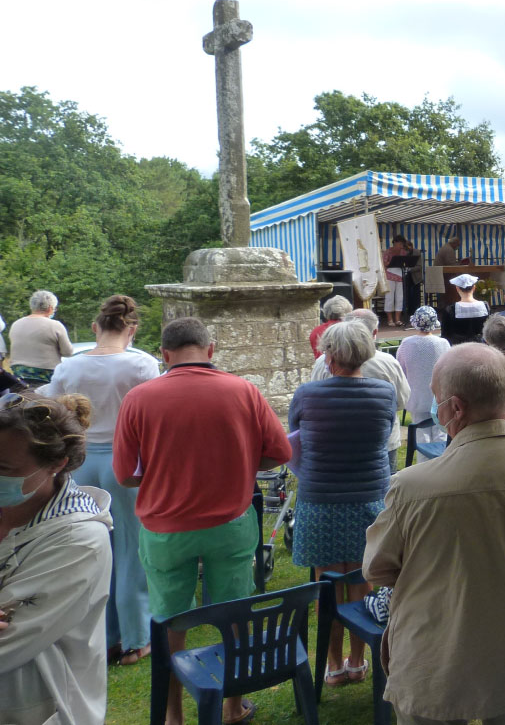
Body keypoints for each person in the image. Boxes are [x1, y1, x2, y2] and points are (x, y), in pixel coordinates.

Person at [363, 343, 505, 725]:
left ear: (456, 408)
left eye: (436, 398)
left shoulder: (411, 486)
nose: (435, 407)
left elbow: (378, 569)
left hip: (434, 660)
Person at [113, 317, 291, 725]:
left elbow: (125, 475)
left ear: (164, 354)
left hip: (164, 526)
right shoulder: (243, 390)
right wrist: (244, 464)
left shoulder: (139, 399)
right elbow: (279, 452)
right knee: (235, 613)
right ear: (210, 350)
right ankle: (233, 705)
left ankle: (173, 713)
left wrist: (160, 473)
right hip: (229, 521)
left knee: (170, 618)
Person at [39, 294, 159, 666]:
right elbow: (152, 418)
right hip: (125, 462)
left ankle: (104, 635)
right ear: (132, 330)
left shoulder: (68, 368)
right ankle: (136, 637)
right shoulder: (141, 365)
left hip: (82, 462)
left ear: (95, 328)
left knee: (92, 549)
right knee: (131, 549)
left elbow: (55, 419)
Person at [289, 321, 395, 686]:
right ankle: (357, 658)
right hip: (369, 497)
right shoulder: (384, 393)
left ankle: (333, 664)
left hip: (321, 500)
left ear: (329, 356)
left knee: (328, 585)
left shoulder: (307, 394)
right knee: (364, 579)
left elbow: (295, 438)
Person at [0, 392, 112, 725]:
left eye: (3, 468)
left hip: (38, 705)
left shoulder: (80, 542)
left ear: (56, 464)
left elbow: (8, 643)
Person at [312, 309, 410, 473]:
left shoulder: (322, 361)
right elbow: (401, 401)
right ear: (375, 332)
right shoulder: (387, 362)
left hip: (335, 441)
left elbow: (313, 401)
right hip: (380, 441)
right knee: (384, 491)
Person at [396, 306, 451, 453]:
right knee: (441, 434)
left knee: (421, 436)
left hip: (417, 396)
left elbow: (401, 369)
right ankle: (440, 465)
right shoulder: (443, 344)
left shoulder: (406, 344)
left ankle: (424, 467)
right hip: (439, 397)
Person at [8, 290, 73, 387]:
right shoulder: (55, 325)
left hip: (19, 376)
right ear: (50, 308)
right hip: (45, 377)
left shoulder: (16, 324)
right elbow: (68, 352)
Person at [441, 273, 488, 345]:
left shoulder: (451, 309)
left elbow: (445, 335)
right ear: (474, 288)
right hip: (481, 347)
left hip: (458, 348)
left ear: (457, 288)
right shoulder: (485, 306)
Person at [382, 235, 413, 328]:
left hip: (400, 276)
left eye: (402, 244)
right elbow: (383, 264)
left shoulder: (403, 252)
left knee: (400, 298)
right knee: (389, 297)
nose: (401, 246)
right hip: (389, 277)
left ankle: (398, 319)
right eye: (399, 244)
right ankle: (389, 319)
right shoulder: (388, 252)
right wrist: (391, 263)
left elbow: (406, 264)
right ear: (394, 243)